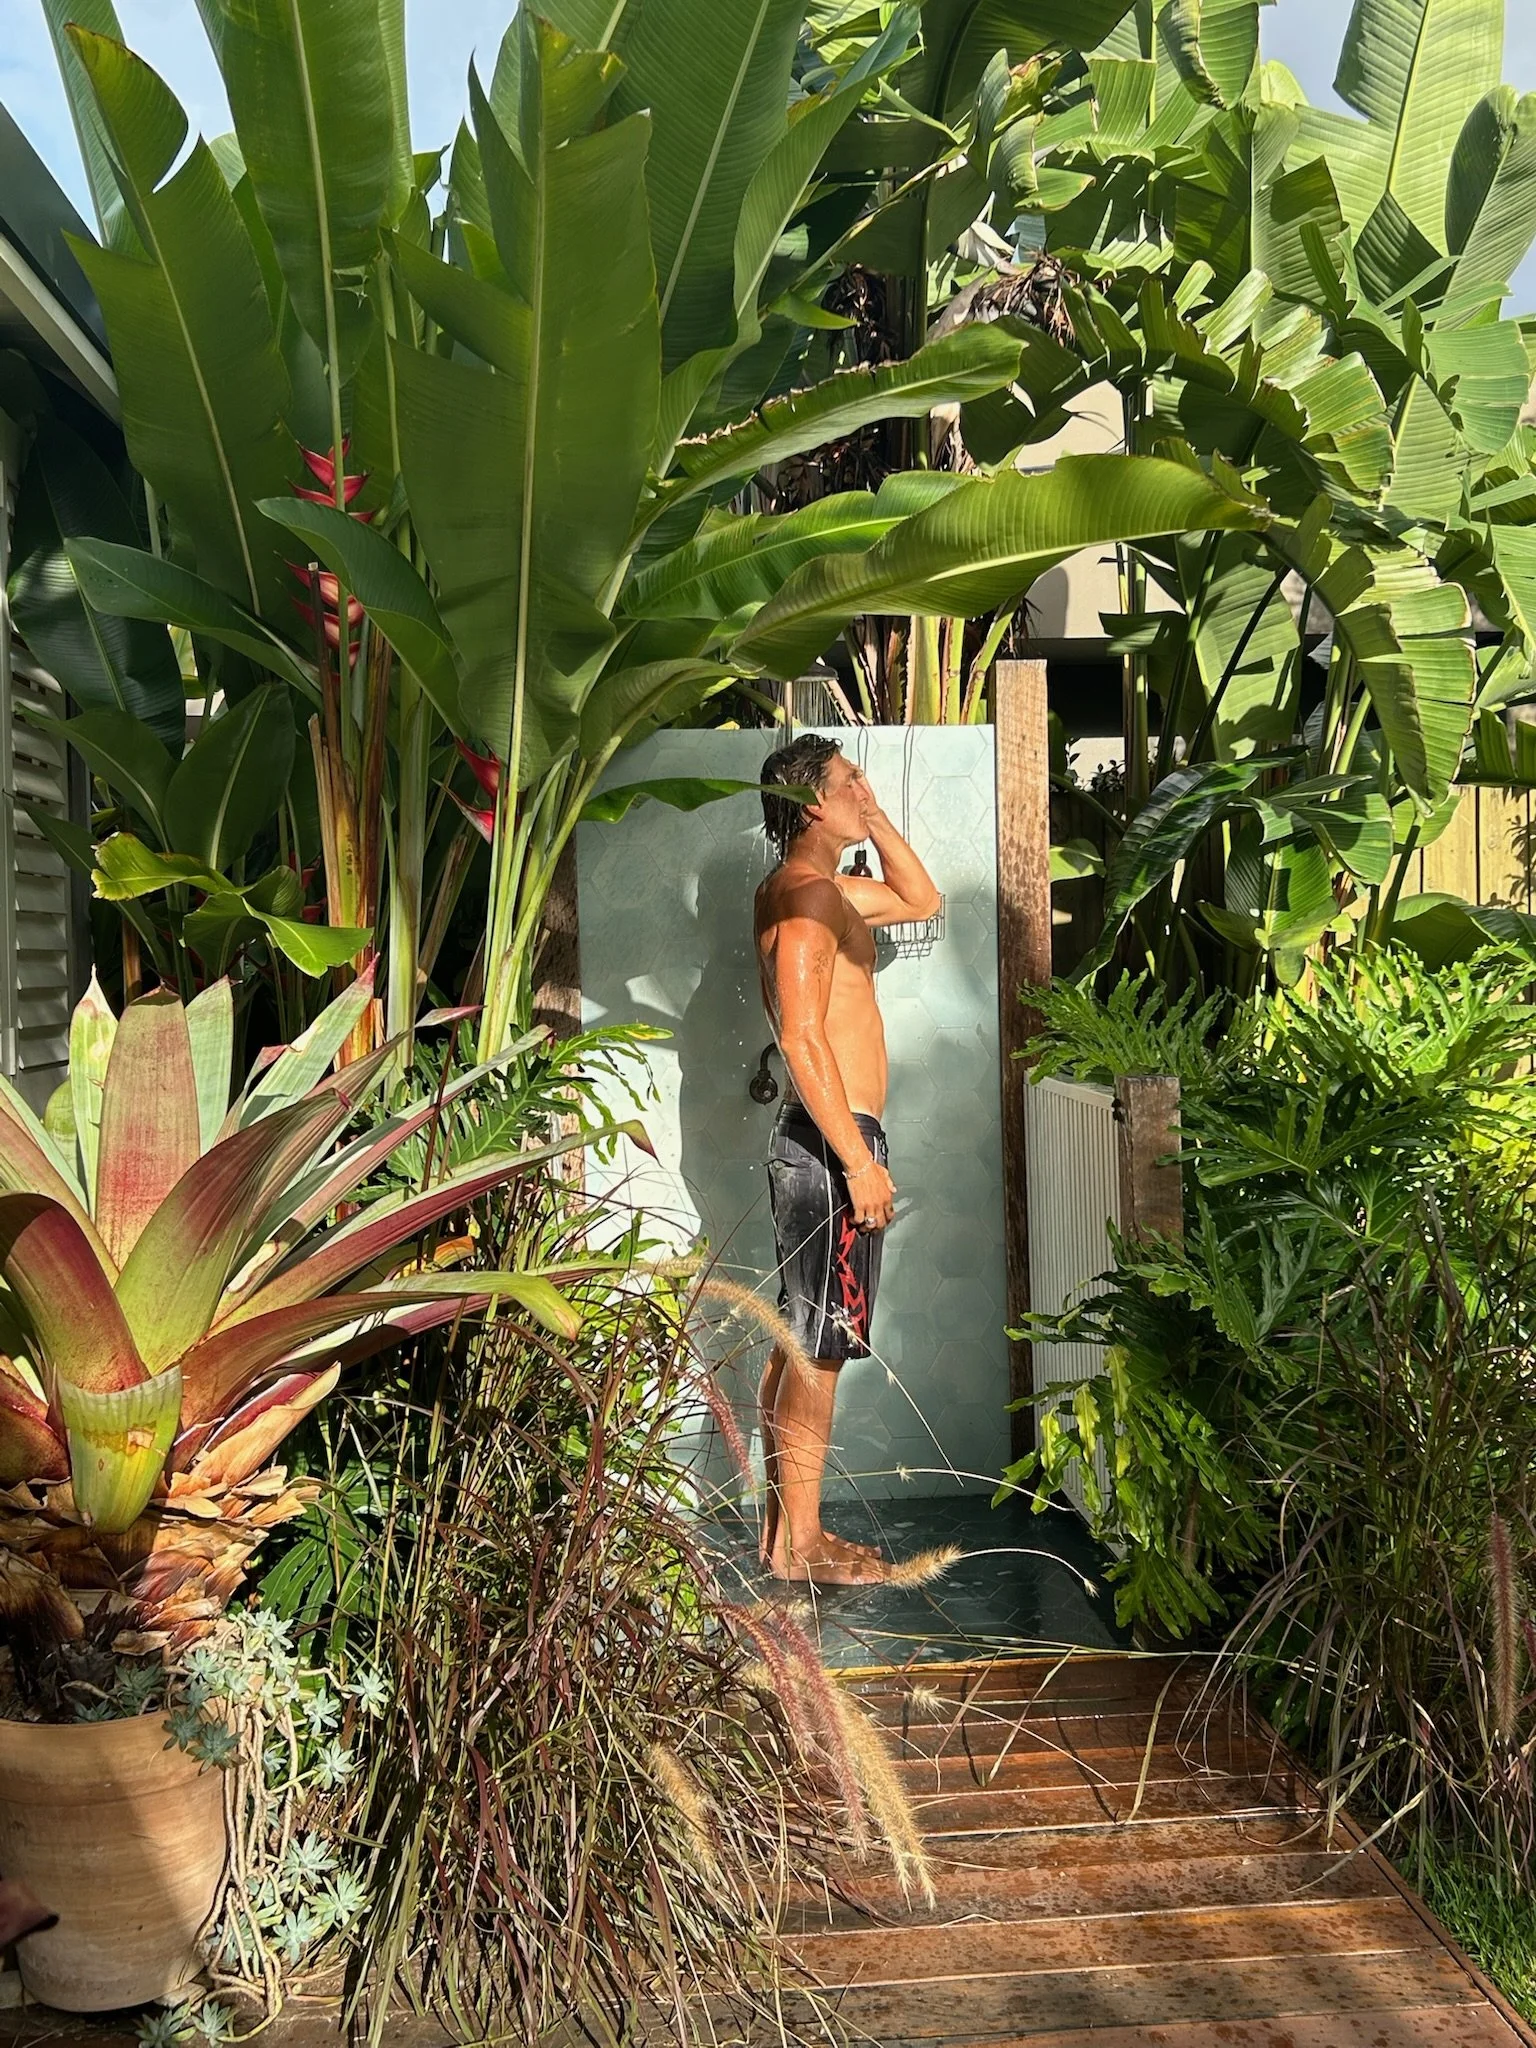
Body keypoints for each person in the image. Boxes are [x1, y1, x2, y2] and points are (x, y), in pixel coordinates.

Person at [753, 736, 941, 1586]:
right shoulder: (802, 900)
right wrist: (859, 1161)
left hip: (834, 1141)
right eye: (849, 782)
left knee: (801, 1338)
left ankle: (783, 1535)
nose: (864, 788)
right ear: (811, 806)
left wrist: (875, 815)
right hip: (834, 1145)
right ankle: (802, 1543)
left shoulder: (826, 892)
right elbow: (800, 1033)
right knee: (819, 1349)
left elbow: (920, 895)